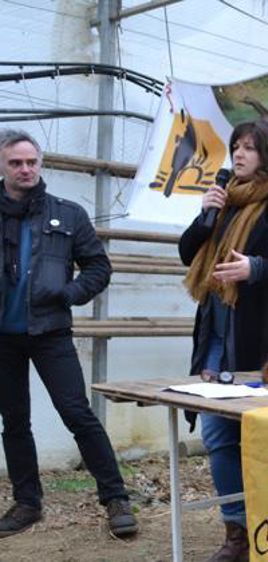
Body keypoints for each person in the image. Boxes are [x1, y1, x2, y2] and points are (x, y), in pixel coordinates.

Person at [178, 119, 268, 562]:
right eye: (235, 147)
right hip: (218, 340)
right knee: (219, 438)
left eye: (249, 148)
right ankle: (238, 534)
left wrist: (256, 269)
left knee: (267, 443)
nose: (238, 155)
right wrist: (206, 217)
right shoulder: (224, 202)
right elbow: (189, 255)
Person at [0, 129, 138, 538]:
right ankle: (28, 503)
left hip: (51, 332)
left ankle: (115, 498)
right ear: (2, 166)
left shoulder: (68, 213)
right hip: (3, 338)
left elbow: (99, 266)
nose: (25, 169)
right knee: (14, 420)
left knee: (78, 413)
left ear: (41, 164)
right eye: (15, 163)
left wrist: (70, 293)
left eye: (31, 162)